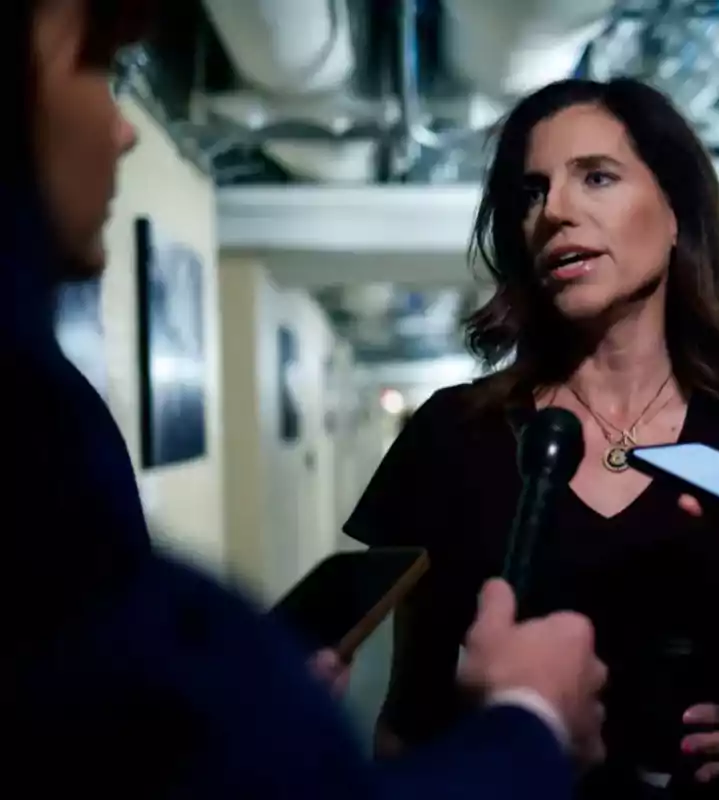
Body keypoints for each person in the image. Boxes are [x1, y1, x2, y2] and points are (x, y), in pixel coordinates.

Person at [3, 2, 606, 797]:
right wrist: (529, 724)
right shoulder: (28, 439)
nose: (124, 130)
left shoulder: (46, 409)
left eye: (597, 176)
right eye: (99, 71)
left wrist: (253, 715)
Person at [346, 77, 719, 799]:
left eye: (595, 177)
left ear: (674, 211)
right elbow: (409, 711)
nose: (556, 212)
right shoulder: (451, 435)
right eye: (532, 193)